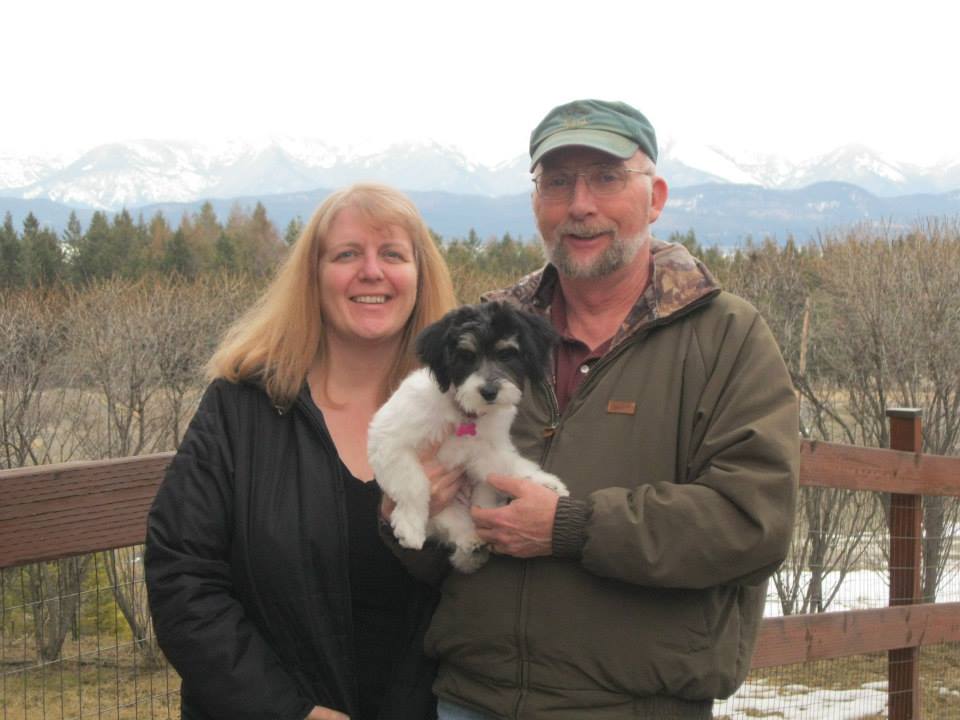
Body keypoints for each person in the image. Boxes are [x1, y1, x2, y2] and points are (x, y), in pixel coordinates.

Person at [405, 100, 800, 719]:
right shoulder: (484, 335)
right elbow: (425, 487)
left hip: (637, 703)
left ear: (655, 196)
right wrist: (406, 506)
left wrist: (571, 528)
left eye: (607, 177)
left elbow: (753, 522)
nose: (580, 204)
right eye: (557, 182)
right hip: (469, 698)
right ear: (537, 202)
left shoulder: (725, 336)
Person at [145, 183, 460, 720]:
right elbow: (182, 575)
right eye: (346, 254)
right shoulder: (242, 406)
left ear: (419, 276)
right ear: (312, 277)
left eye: (392, 254)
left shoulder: (458, 416)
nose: (371, 271)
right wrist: (286, 712)